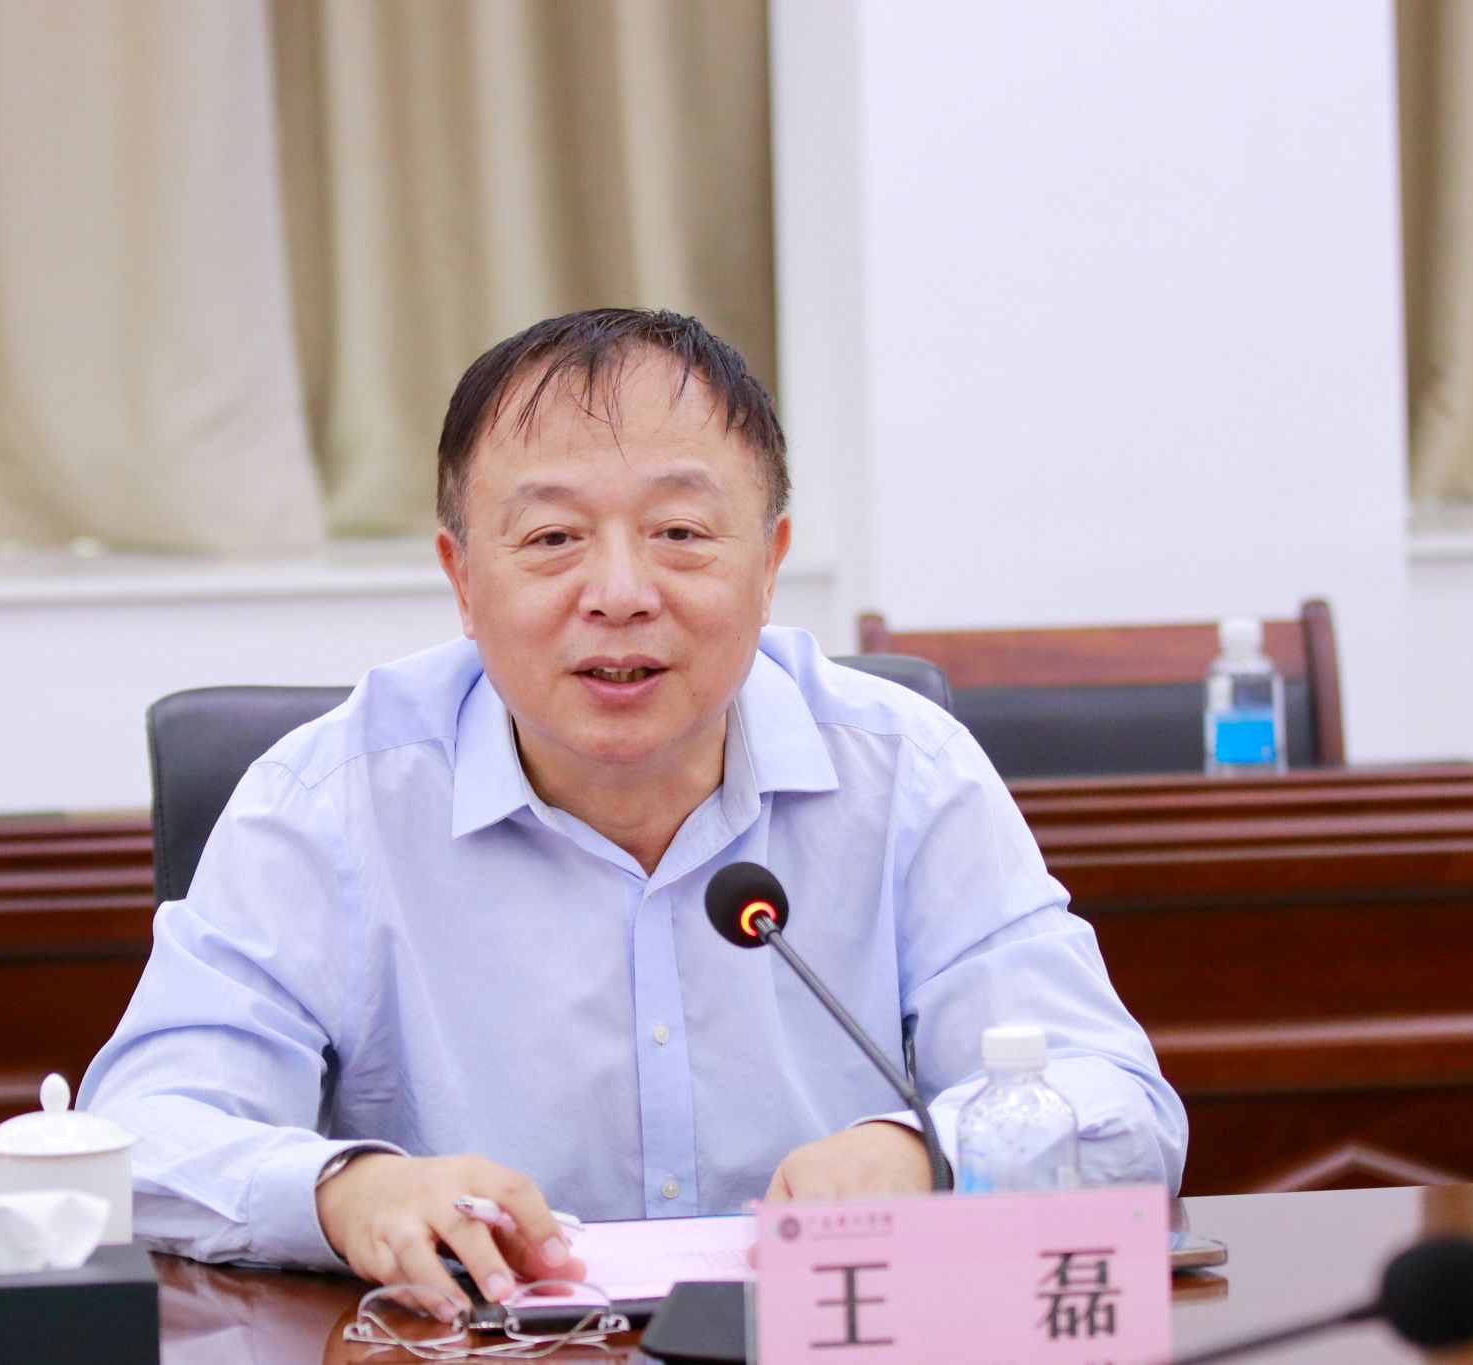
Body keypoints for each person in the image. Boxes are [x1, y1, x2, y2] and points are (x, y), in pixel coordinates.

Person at [80, 308, 1186, 1307]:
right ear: (462, 580)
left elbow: (1119, 1106)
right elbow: (138, 1134)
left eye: (681, 533)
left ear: (769, 565)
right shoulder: (327, 803)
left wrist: (923, 1155)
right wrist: (344, 1190)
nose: (619, 593)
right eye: (552, 539)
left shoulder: (904, 772)